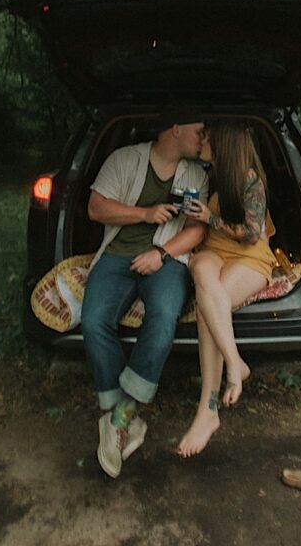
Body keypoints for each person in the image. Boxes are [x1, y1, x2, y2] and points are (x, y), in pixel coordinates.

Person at [81, 113, 208, 478]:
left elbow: (197, 230)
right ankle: (121, 419)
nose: (203, 138)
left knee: (164, 316)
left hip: (165, 259)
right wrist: (144, 213)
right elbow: (95, 208)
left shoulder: (195, 174)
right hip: (117, 254)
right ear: (176, 128)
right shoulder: (124, 159)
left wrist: (163, 254)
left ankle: (120, 417)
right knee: (92, 321)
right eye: (199, 131)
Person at [177, 121, 278, 458]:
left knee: (209, 310)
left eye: (207, 136)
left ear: (222, 142)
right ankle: (236, 362)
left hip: (249, 255)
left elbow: (251, 234)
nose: (202, 140)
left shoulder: (249, 179)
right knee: (200, 270)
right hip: (214, 250)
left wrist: (210, 218)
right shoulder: (209, 174)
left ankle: (208, 410)